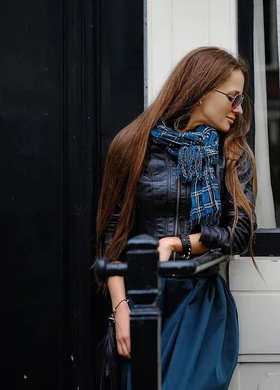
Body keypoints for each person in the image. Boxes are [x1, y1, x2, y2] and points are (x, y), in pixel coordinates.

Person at [95, 46, 257, 390]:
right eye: (233, 97)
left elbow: (238, 233)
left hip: (201, 302)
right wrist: (121, 309)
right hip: (142, 300)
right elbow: (112, 236)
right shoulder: (132, 145)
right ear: (201, 90)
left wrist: (178, 242)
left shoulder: (233, 155)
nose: (239, 110)